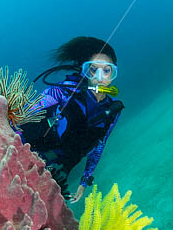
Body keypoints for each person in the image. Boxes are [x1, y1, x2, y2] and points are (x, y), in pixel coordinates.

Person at [20, 36, 125, 203]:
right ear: (84, 71)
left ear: (114, 72)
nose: (100, 78)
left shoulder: (112, 110)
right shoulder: (62, 92)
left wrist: (84, 180)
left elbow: (100, 144)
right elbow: (23, 116)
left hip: (59, 170)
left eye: (106, 70)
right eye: (93, 70)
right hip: (26, 155)